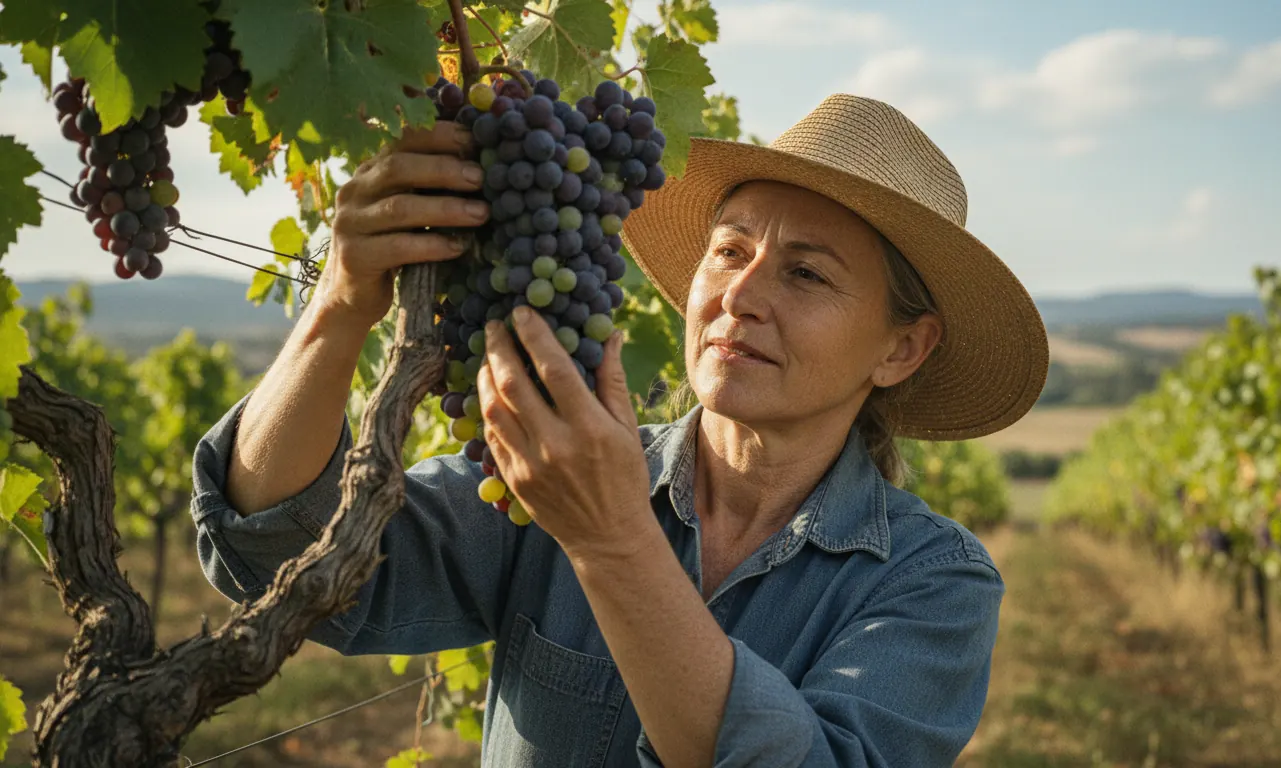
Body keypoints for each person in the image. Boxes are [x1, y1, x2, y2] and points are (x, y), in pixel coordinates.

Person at [192, 93, 1048, 767]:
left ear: (902, 349)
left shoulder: (933, 583)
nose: (740, 296)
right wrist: (339, 308)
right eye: (729, 250)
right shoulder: (553, 479)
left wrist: (610, 542)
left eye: (807, 273)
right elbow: (283, 555)